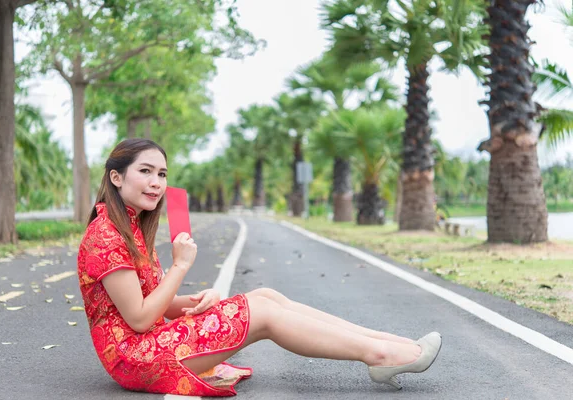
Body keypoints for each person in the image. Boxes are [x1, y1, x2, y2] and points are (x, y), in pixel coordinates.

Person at [77, 138, 442, 397]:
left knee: (265, 295)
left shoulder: (128, 227)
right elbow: (140, 319)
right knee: (262, 313)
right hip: (135, 357)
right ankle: (378, 356)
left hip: (148, 342)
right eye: (146, 171)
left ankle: (389, 344)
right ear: (117, 177)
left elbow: (145, 302)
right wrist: (180, 267)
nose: (157, 182)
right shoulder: (105, 236)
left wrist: (193, 301)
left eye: (162, 173)